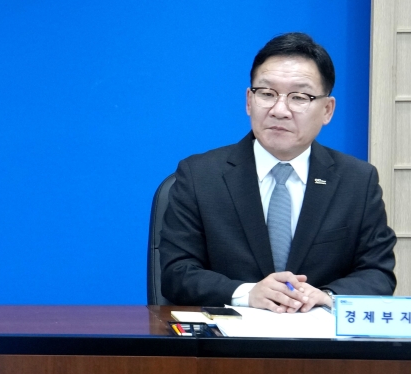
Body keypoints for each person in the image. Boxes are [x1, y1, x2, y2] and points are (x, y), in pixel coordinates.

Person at [160, 32, 396, 312]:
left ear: (327, 110)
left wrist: (325, 296)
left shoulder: (357, 181)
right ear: (249, 101)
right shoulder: (200, 176)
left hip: (319, 337)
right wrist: (247, 293)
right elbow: (177, 273)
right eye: (267, 94)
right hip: (230, 336)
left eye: (299, 97)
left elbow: (378, 273)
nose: (279, 110)